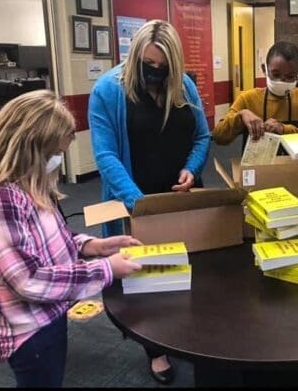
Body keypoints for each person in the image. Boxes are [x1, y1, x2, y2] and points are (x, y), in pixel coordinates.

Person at [0, 90, 143, 388]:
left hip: (50, 312)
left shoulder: (27, 184)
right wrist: (106, 269)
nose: (57, 161)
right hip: (29, 331)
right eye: (53, 154)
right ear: (28, 148)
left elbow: (49, 241)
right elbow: (28, 280)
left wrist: (93, 246)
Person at [88, 19, 210, 384]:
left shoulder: (183, 84)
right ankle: (156, 350)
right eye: (148, 65)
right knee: (146, 280)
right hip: (134, 202)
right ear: (134, 56)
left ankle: (185, 334)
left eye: (163, 67)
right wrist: (138, 202)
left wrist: (191, 168)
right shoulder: (108, 91)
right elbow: (106, 156)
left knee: (188, 272)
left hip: (180, 198)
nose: (155, 73)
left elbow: (202, 136)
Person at [212, 41, 298, 146]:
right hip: (257, 161)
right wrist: (241, 116)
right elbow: (219, 137)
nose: (282, 81)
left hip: (292, 161)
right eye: (276, 74)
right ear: (264, 69)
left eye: (290, 77)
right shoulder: (247, 98)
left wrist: (284, 129)